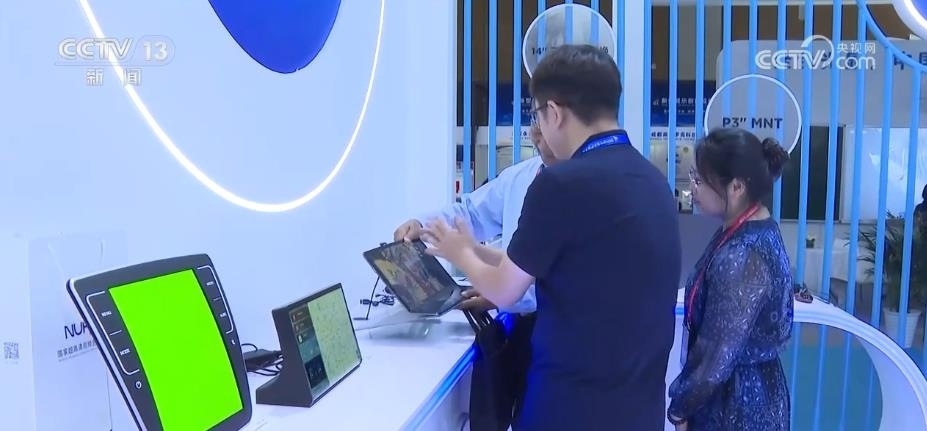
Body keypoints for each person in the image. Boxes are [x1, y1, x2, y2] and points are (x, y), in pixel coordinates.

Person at [421, 44, 681, 430]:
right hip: (638, 411)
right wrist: (474, 249)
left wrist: (461, 255)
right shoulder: (653, 182)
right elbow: (557, 267)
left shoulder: (560, 183)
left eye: (538, 115)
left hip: (570, 408)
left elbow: (505, 290)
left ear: (554, 113)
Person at [667, 128, 794, 431]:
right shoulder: (752, 226)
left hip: (736, 404)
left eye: (701, 180)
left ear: (736, 186)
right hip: (752, 391)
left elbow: (716, 355)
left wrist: (680, 408)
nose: (692, 188)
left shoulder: (742, 255)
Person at [393, 123, 558, 313]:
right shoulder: (520, 176)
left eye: (544, 117)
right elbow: (472, 213)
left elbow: (563, 279)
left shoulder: (578, 189)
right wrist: (421, 226)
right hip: (517, 317)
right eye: (535, 119)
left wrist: (501, 293)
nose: (535, 132)